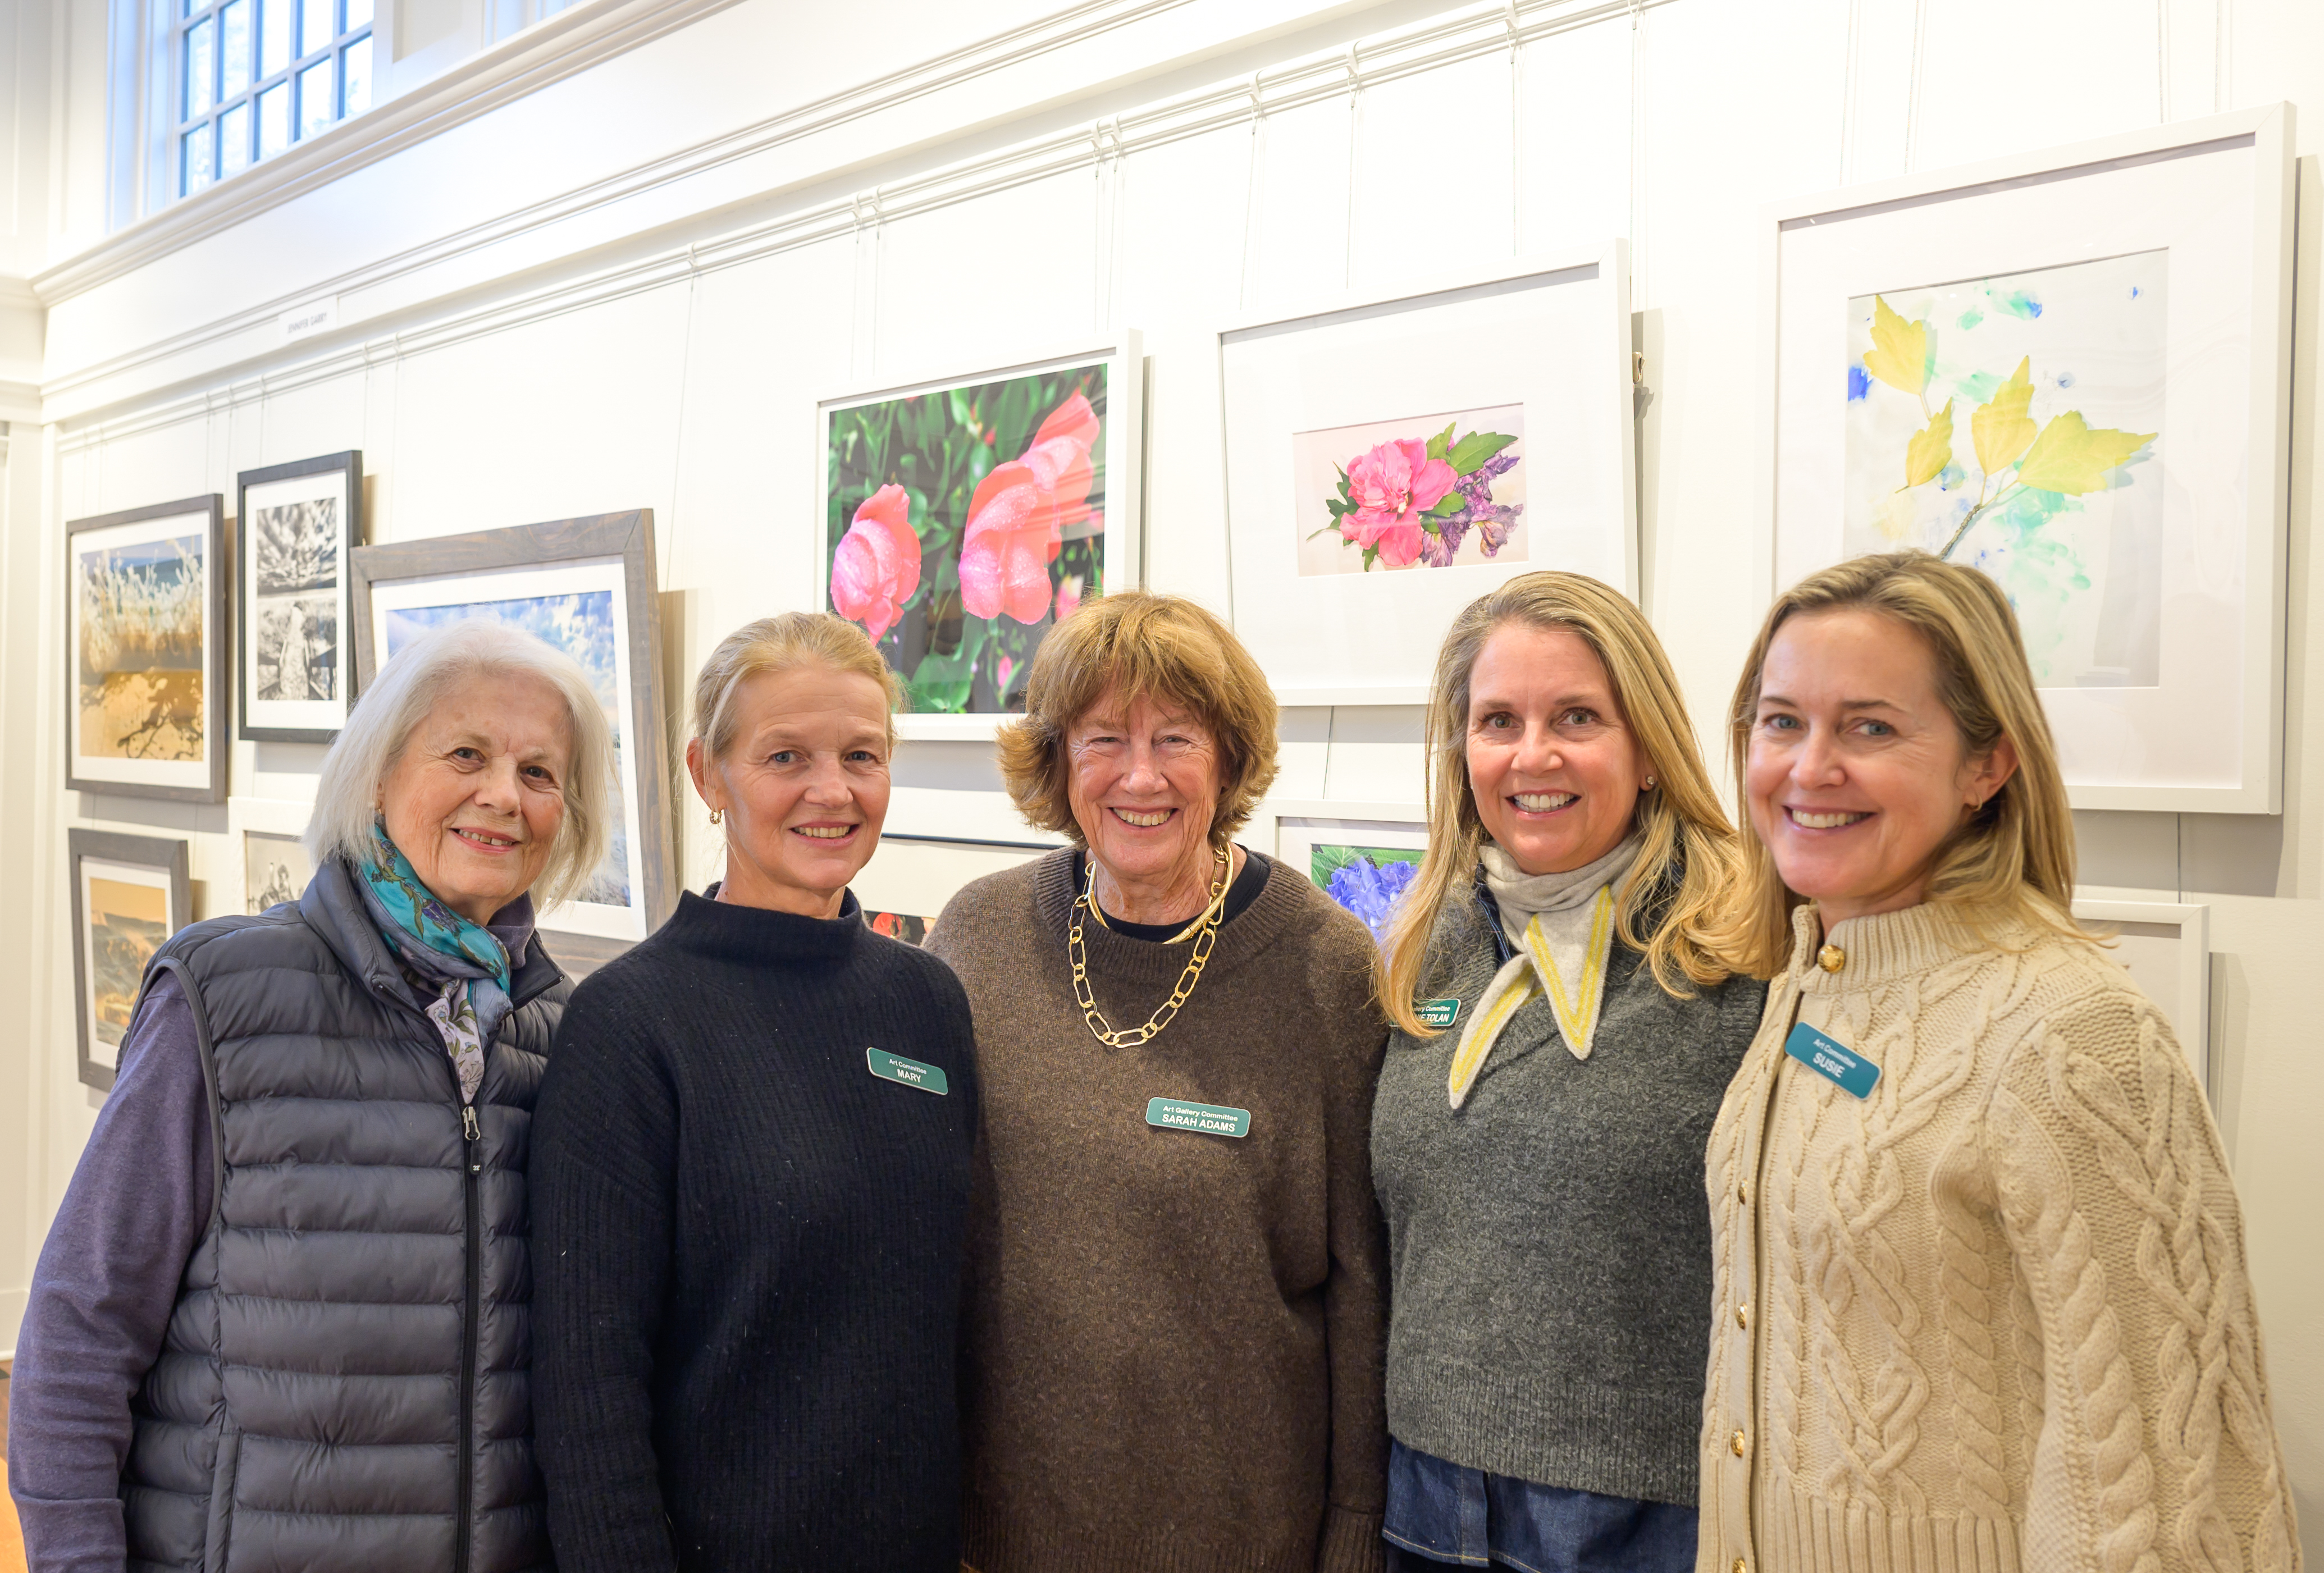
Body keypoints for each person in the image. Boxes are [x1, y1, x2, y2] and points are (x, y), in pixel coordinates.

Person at [1700, 551, 2300, 1573]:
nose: (1807, 768)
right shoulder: (1812, 976)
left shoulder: (2074, 1033)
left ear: (1989, 765)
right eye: (1781, 719)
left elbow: (2167, 1485)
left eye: (1871, 727)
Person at [8, 620, 615, 1572]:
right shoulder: (221, 998)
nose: (505, 794)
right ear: (377, 775)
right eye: (467, 753)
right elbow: (81, 1331)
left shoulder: (566, 1037)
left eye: (541, 774)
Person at [926, 591, 1390, 1573]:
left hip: (1242, 1537)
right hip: (1004, 1532)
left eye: (1176, 737)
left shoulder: (1325, 962)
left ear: (1227, 761)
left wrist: (1355, 1526)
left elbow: (1362, 1281)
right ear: (1058, 760)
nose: (1141, 776)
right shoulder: (978, 935)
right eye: (1104, 739)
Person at [531, 613, 979, 1573]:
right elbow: (586, 1394)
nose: (833, 790)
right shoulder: (632, 1023)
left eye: (863, 755)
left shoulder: (928, 1002)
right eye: (786, 756)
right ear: (707, 775)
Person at [1369, 573, 1765, 1572]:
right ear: (1463, 754)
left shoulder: (1743, 953)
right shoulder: (1432, 944)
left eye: (1577, 717)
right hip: (1423, 1492)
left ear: (1646, 750)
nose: (1532, 754)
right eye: (1498, 719)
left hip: (1644, 1519)